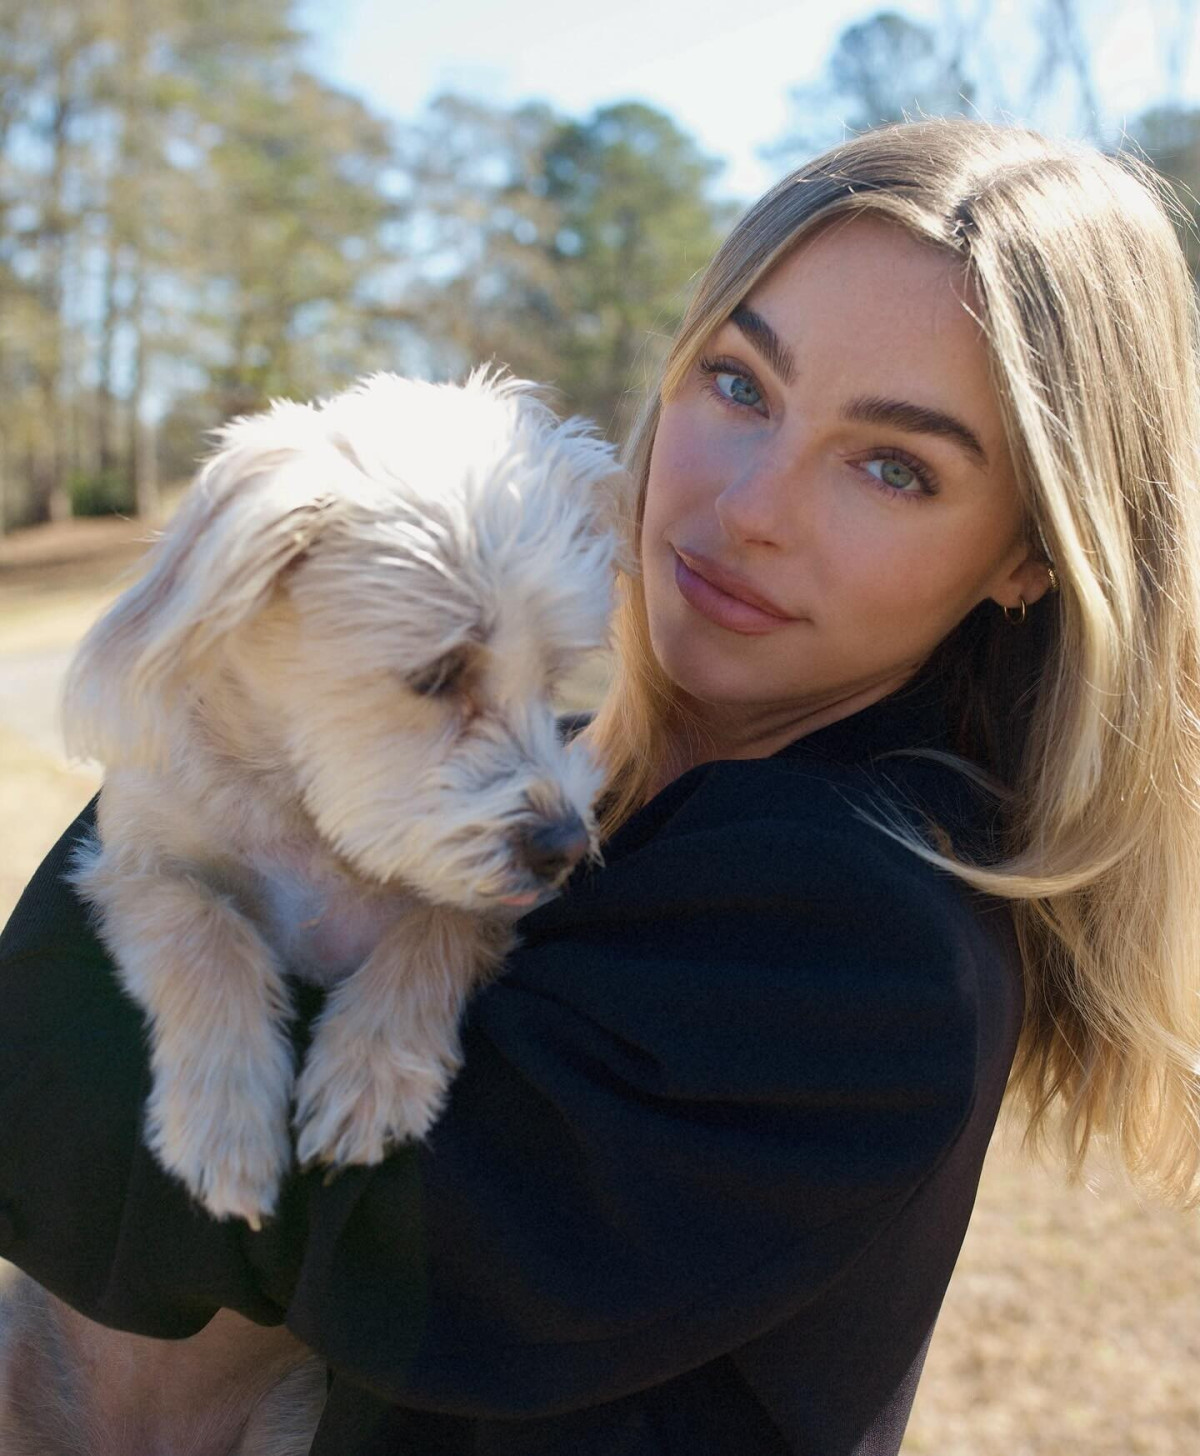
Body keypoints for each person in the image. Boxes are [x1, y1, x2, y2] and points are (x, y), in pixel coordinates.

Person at [2, 116, 1200, 1456]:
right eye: (743, 384)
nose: (750, 505)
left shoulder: (861, 925)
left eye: (892, 465)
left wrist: (229, 817)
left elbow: (344, 1244)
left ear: (1030, 558)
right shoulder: (586, 763)